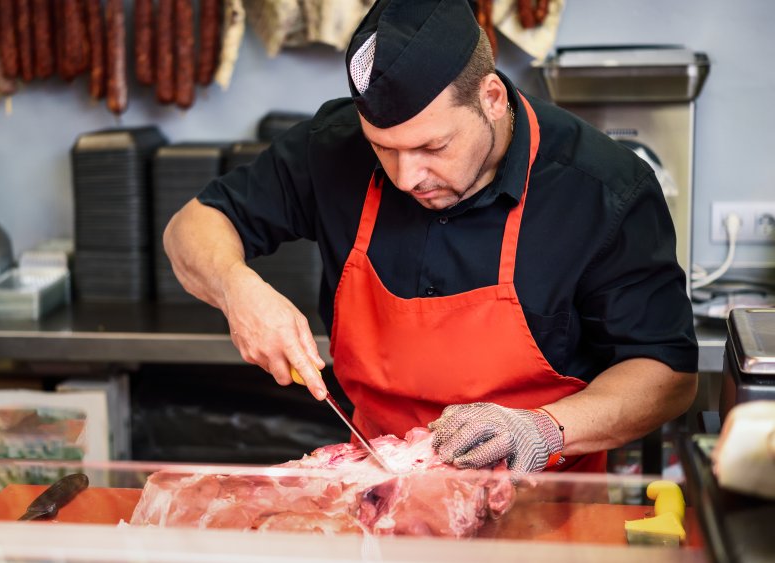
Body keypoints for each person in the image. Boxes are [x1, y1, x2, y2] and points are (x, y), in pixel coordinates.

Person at [163, 0, 698, 473]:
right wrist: (237, 289)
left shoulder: (602, 188)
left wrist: (539, 430)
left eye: (432, 148)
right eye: (384, 149)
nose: (405, 177)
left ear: (491, 97)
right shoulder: (334, 148)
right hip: (381, 496)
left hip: (546, 506)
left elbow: (667, 373)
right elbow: (192, 227)